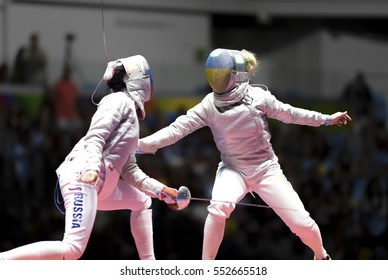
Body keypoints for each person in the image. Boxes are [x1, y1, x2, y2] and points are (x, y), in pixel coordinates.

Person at [138, 48, 352, 260]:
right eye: (213, 74)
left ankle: (321, 256)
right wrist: (139, 144)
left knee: (301, 223)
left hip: (265, 169)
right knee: (218, 208)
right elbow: (176, 130)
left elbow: (291, 114)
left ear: (236, 75)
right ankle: (205, 268)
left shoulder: (258, 97)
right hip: (233, 170)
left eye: (220, 74)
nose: (216, 79)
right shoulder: (209, 105)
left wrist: (326, 119)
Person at [0, 55, 179, 260]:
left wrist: (161, 190)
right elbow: (95, 136)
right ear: (138, 78)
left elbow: (129, 169)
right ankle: (2, 261)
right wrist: (92, 168)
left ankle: (149, 266)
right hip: (83, 176)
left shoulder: (128, 110)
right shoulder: (118, 100)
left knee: (143, 202)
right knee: (73, 248)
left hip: (101, 185)